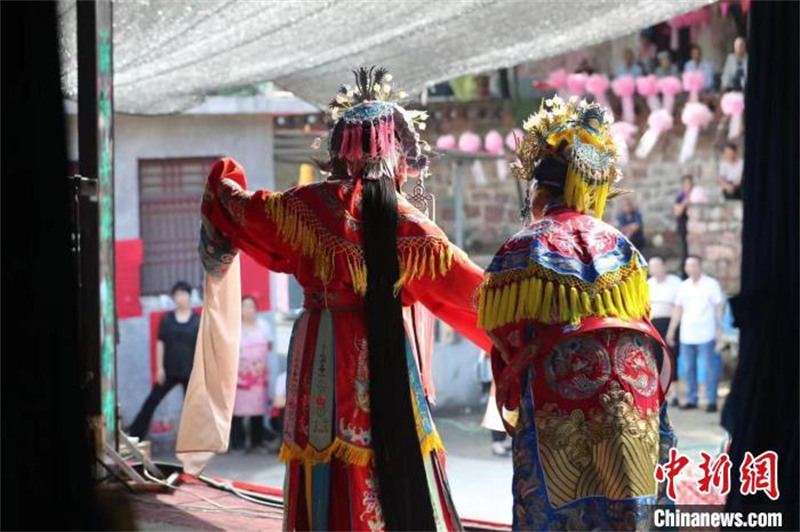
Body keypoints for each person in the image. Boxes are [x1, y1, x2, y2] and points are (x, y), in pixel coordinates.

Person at [176, 67, 493, 531]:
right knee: (393, 443)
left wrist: (226, 178)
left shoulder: (300, 207)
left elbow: (231, 203)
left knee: (322, 448)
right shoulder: (410, 224)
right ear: (397, 156)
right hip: (384, 351)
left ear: (337, 151)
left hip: (320, 345)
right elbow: (471, 295)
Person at [478, 96, 674, 530]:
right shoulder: (621, 243)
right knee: (632, 503)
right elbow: (640, 314)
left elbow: (503, 330)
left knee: (566, 508)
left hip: (565, 392)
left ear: (539, 193)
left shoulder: (525, 244)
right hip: (635, 389)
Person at [127, 281, 200, 439]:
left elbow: (202, 346)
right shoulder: (167, 320)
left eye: (183, 294)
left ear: (189, 296)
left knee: (194, 408)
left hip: (191, 371)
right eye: (177, 294)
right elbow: (160, 343)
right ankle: (135, 434)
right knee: (152, 401)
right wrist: (160, 368)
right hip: (169, 370)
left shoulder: (197, 320)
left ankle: (196, 440)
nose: (180, 297)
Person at [666, 256, 725, 413]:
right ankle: (692, 399)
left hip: (707, 332)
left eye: (693, 265)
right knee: (689, 368)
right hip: (687, 334)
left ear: (700, 266)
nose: (690, 268)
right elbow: (678, 310)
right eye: (688, 265)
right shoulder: (683, 286)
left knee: (709, 368)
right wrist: (672, 330)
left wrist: (720, 330)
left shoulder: (711, 284)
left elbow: (719, 308)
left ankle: (711, 400)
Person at [229, 295, 274, 453]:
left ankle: (257, 442)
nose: (247, 310)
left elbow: (270, 345)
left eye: (250, 306)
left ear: (256, 309)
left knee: (258, 409)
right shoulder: (235, 327)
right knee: (237, 411)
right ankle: (237, 443)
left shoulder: (264, 326)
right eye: (244, 306)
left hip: (259, 375)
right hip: (240, 376)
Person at [648, 257, 682, 406]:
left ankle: (674, 393)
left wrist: (671, 330)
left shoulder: (675, 282)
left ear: (663, 266)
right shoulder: (648, 284)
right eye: (651, 267)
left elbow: (678, 306)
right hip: (653, 324)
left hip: (670, 323)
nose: (653, 270)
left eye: (656, 266)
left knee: (671, 357)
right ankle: (660, 393)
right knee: (656, 358)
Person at [674, 175, 694, 274]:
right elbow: (677, 212)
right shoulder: (680, 197)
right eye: (686, 184)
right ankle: (684, 274)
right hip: (683, 228)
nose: (689, 186)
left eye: (690, 184)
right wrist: (685, 203)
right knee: (684, 252)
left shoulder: (695, 195)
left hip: (695, 229)